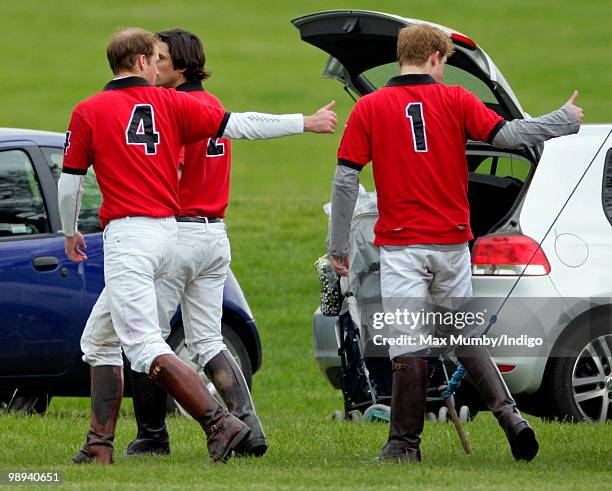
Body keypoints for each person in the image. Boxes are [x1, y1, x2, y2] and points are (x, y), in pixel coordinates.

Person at [60, 27, 336, 465]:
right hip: (192, 233)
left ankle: (211, 424)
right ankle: (99, 445)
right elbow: (242, 124)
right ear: (139, 62)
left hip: (139, 235)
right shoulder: (181, 103)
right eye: (154, 58)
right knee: (105, 339)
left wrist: (70, 230)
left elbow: (70, 180)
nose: (158, 65)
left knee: (145, 342)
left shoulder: (92, 108)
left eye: (162, 58)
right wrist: (304, 122)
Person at [329, 24, 583, 463]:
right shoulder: (459, 99)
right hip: (452, 245)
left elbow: (345, 179)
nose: (444, 70)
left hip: (402, 247)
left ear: (402, 57)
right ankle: (512, 421)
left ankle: (404, 445)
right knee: (463, 333)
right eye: (444, 62)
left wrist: (339, 244)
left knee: (408, 342)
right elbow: (511, 136)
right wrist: (561, 119)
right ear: (434, 58)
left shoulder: (369, 107)